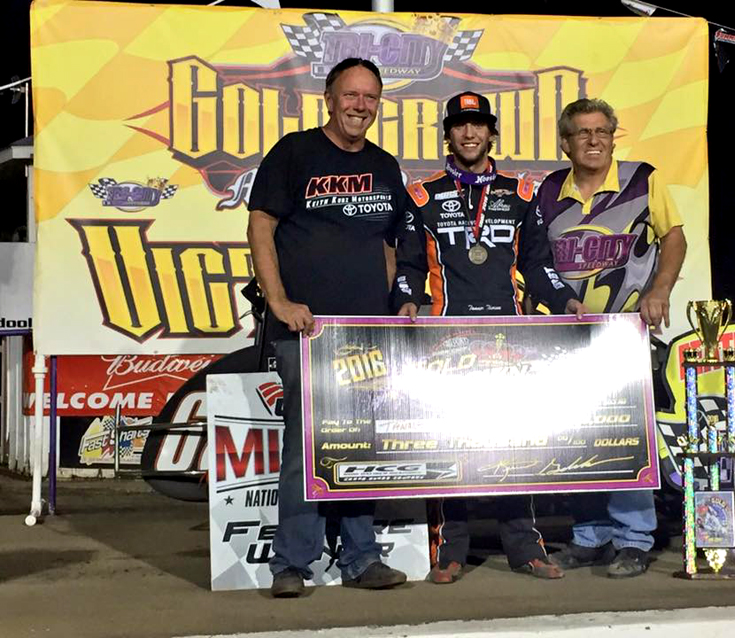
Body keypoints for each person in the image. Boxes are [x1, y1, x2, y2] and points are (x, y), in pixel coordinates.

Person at [246, 58, 426, 597]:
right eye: (351, 94)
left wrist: (397, 303)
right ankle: (291, 564)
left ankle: (361, 558)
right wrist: (278, 300)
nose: (360, 106)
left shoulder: (384, 165)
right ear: (329, 98)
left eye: (370, 97)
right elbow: (260, 225)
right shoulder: (294, 152)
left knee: (360, 443)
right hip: (308, 329)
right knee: (306, 444)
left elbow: (391, 244)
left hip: (366, 331)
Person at [407, 91, 585, 584]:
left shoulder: (521, 193)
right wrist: (405, 300)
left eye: (478, 124)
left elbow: (538, 264)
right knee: (450, 444)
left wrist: (565, 300)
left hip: (509, 338)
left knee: (513, 441)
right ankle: (450, 551)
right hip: (446, 338)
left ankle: (524, 548)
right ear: (449, 134)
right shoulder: (421, 195)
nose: (470, 133)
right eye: (460, 125)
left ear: (491, 133)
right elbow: (409, 266)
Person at [535, 97, 687, 578]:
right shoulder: (547, 191)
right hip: (566, 335)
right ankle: (590, 535)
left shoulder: (643, 179)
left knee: (626, 436)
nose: (594, 140)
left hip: (624, 334)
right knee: (576, 437)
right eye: (583, 132)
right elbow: (536, 260)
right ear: (566, 143)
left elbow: (674, 237)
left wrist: (660, 290)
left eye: (602, 131)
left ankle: (634, 539)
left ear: (613, 137)